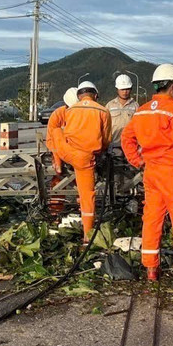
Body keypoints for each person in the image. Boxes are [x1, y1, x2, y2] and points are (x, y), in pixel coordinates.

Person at [121, 64, 173, 285]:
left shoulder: (142, 110)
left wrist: (138, 161)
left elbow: (126, 139)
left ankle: (150, 268)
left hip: (151, 173)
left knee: (151, 220)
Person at [47, 80, 111, 241]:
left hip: (66, 152)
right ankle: (87, 236)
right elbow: (106, 140)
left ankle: (58, 164)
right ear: (95, 95)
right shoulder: (103, 111)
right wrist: (99, 152)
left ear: (79, 96)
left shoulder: (68, 111)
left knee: (56, 132)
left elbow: (56, 135)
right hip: (85, 159)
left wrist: (58, 156)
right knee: (87, 196)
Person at [47, 87, 78, 174]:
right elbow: (51, 139)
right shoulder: (57, 115)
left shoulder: (84, 114)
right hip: (59, 148)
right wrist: (57, 160)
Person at [105, 74, 138, 143]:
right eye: (122, 89)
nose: (125, 92)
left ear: (131, 89)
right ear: (117, 89)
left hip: (131, 144)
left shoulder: (136, 106)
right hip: (114, 146)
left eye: (127, 89)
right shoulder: (109, 106)